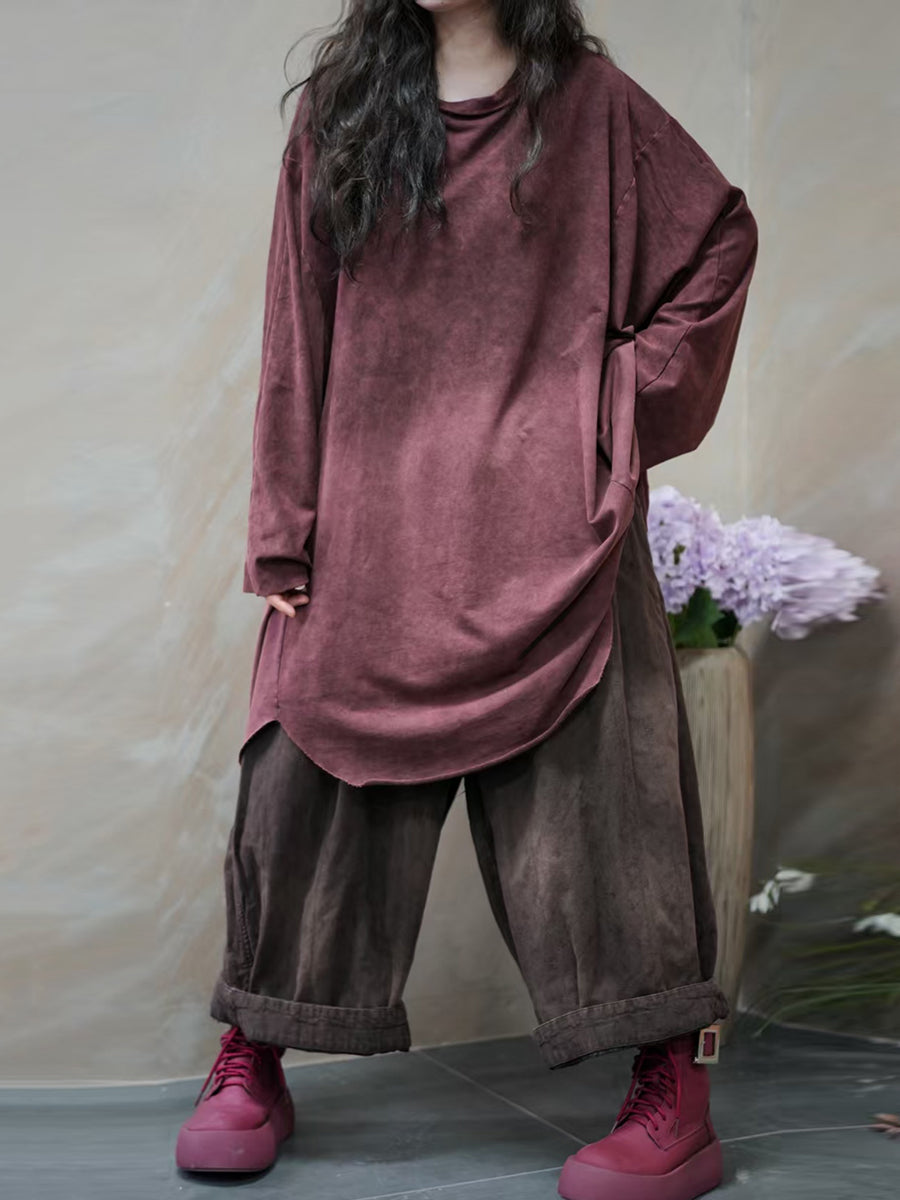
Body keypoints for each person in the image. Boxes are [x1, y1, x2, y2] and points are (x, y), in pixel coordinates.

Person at [175, 3, 758, 1198]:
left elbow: (719, 244)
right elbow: (297, 327)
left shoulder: (596, 107)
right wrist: (285, 535)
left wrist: (606, 412)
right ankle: (258, 1050)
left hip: (561, 529)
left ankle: (671, 1084)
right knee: (302, 782)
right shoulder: (341, 112)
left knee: (610, 800)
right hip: (373, 522)